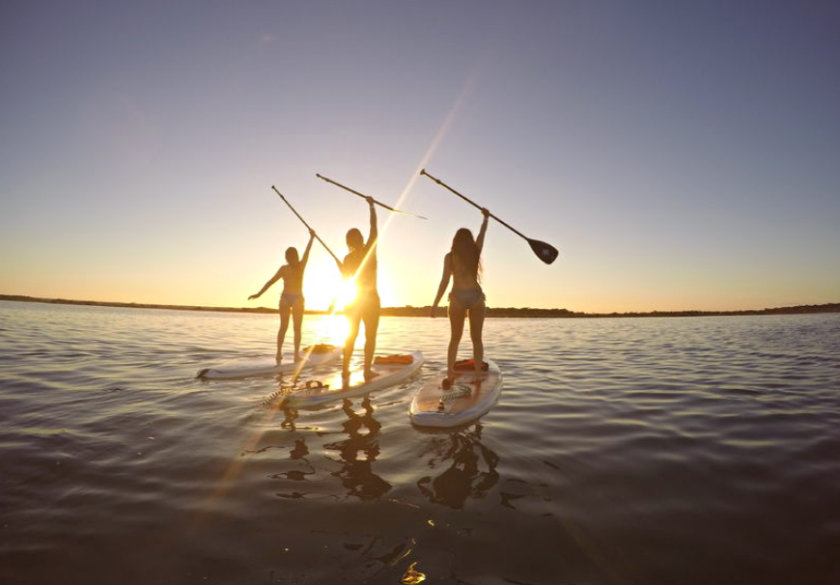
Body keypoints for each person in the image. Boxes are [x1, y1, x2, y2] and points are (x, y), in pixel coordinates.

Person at [431, 208, 490, 387]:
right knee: (477, 339)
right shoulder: (474, 253)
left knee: (454, 339)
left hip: (456, 297)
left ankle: (450, 374)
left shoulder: (450, 257)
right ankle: (478, 376)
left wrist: (435, 304)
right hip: (476, 297)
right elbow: (482, 235)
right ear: (469, 241)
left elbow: (444, 281)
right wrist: (486, 219)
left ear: (454, 241)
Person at [248, 230, 315, 364]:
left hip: (293, 299)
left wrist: (311, 238)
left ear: (294, 256)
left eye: (291, 256)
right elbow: (271, 282)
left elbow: (307, 252)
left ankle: (288, 354)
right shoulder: (288, 268)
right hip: (289, 299)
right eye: (288, 257)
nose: (290, 259)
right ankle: (283, 354)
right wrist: (259, 294)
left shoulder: (297, 267)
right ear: (288, 257)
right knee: (288, 327)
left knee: (292, 327)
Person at [335, 196, 379, 383]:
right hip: (370, 299)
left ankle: (345, 370)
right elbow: (374, 229)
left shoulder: (347, 258)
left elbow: (345, 278)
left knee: (351, 336)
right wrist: (372, 206)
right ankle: (366, 371)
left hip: (353, 301)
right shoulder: (368, 250)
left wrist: (340, 265)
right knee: (369, 337)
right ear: (360, 239)